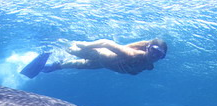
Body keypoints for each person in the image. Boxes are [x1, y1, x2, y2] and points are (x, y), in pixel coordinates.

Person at [20, 39, 167, 78]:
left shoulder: (149, 66)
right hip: (99, 54)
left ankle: (51, 66)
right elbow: (106, 43)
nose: (154, 56)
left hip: (103, 64)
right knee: (71, 50)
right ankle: (53, 42)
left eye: (159, 54)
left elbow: (135, 69)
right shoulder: (132, 54)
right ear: (148, 48)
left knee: (76, 65)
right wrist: (85, 46)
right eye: (153, 51)